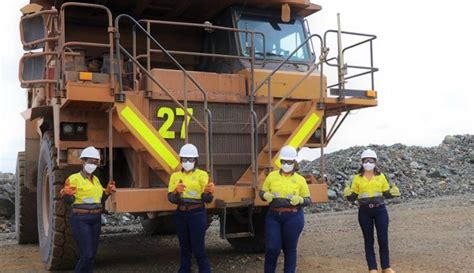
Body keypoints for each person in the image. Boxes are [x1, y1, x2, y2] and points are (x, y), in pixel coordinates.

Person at [60, 146, 116, 273]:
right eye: (90, 162)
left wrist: (107, 191)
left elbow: (99, 198)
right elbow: (68, 201)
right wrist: (66, 194)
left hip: (96, 219)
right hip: (81, 219)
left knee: (92, 256)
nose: (93, 165)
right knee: (87, 255)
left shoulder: (95, 180)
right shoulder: (73, 179)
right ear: (83, 161)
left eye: (96, 162)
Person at [344, 149, 400, 273]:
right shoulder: (357, 178)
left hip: (380, 210)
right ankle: (372, 268)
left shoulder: (381, 177)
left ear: (375, 162)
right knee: (368, 240)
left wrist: (393, 193)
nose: (368, 163)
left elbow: (386, 194)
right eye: (366, 160)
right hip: (364, 212)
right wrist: (348, 194)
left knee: (383, 239)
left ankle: (386, 267)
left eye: (371, 160)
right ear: (362, 162)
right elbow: (353, 197)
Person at [259, 145, 311, 273]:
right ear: (280, 161)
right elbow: (262, 192)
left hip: (293, 218)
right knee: (272, 248)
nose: (286, 164)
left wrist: (300, 200)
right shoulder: (272, 176)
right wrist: (265, 195)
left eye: (289, 162)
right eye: (283, 162)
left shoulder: (300, 180)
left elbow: (308, 200)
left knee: (290, 249)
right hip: (274, 217)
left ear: (294, 162)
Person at [167, 143, 215, 273]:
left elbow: (208, 199)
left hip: (197, 214)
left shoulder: (202, 175)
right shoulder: (175, 176)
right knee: (184, 247)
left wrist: (208, 192)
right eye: (184, 159)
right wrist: (176, 192)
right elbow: (171, 199)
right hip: (181, 214)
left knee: (198, 248)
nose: (187, 162)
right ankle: (184, 270)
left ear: (196, 160)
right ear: (180, 160)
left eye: (190, 159)